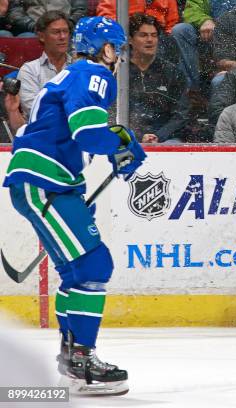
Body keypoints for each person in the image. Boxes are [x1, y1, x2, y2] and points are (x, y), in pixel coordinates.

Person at [2, 16, 146, 396]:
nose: (119, 59)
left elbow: (65, 133)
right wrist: (122, 144)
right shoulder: (94, 74)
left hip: (50, 182)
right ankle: (81, 359)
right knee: (93, 265)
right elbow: (87, 132)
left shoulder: (69, 75)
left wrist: (116, 142)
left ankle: (72, 361)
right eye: (118, 49)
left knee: (78, 271)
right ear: (107, 49)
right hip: (45, 183)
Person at [128, 13, 190, 143]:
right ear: (130, 39)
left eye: (154, 35)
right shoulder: (120, 73)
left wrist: (158, 136)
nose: (150, 40)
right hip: (129, 136)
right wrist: (139, 136)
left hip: (166, 138)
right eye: (143, 35)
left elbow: (181, 115)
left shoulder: (173, 72)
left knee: (174, 146)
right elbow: (113, 113)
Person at [17, 10, 73, 119]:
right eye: (56, 32)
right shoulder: (29, 70)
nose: (62, 37)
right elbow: (35, 109)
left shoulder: (79, 67)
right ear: (42, 36)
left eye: (65, 31)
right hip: (44, 132)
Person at [6, 0, 86, 36]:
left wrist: (69, 24)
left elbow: (80, 10)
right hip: (34, 30)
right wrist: (33, 26)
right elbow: (15, 13)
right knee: (27, 37)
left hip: (66, 27)